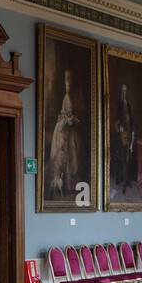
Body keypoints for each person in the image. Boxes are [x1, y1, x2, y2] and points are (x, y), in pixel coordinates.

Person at [47, 70, 81, 198]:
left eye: (69, 84)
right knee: (62, 157)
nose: (68, 87)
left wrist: (72, 119)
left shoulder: (72, 97)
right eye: (66, 84)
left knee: (71, 156)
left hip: (67, 131)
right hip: (63, 130)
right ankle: (61, 184)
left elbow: (69, 115)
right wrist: (70, 120)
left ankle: (68, 184)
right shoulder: (66, 98)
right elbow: (65, 116)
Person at [112, 81, 137, 196]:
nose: (124, 92)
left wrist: (132, 132)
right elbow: (115, 120)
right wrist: (119, 127)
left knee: (128, 158)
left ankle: (127, 181)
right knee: (121, 158)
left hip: (128, 134)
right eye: (122, 90)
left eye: (125, 90)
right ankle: (121, 180)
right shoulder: (119, 105)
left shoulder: (129, 105)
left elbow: (131, 120)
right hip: (121, 135)